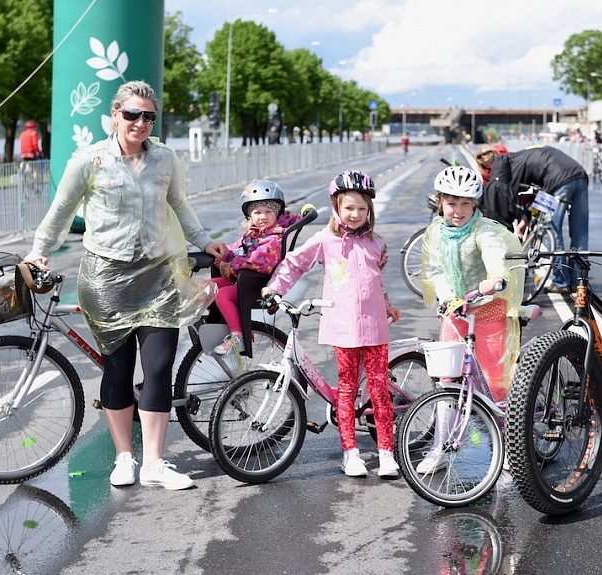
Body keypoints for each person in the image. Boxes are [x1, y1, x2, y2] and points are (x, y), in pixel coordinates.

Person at [25, 81, 228, 490]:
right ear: (115, 114)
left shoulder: (166, 159)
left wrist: (206, 242)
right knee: (117, 370)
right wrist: (39, 251)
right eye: (132, 114)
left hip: (158, 275)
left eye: (148, 116)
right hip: (107, 278)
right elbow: (61, 210)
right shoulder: (90, 160)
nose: (140, 123)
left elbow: (180, 206)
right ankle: (124, 457)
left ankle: (153, 462)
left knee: (157, 368)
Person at [262, 169, 401, 479]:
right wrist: (275, 288)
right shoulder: (325, 240)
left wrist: (388, 304)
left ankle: (386, 452)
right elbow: (295, 263)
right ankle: (350, 452)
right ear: (337, 207)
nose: (355, 214)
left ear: (370, 211)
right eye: (349, 207)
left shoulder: (377, 243)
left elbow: (377, 280)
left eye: (362, 209)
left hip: (376, 326)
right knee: (347, 389)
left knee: (379, 389)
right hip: (344, 326)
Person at [418, 165, 524, 473]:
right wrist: (448, 297)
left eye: (466, 203)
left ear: (475, 203)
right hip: (456, 312)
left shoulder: (485, 231)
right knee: (447, 381)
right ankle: (440, 447)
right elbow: (435, 270)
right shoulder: (435, 232)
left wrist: (496, 280)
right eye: (452, 203)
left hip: (489, 310)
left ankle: (506, 449)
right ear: (440, 202)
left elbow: (495, 256)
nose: (459, 210)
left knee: (495, 384)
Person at [210, 180, 306, 356]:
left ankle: (237, 335)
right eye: (257, 212)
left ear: (277, 213)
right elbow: (236, 249)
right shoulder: (253, 234)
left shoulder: (273, 239)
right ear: (250, 216)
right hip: (243, 279)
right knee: (209, 287)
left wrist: (231, 266)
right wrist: (221, 257)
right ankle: (226, 324)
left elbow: (256, 260)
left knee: (222, 294)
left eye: (269, 211)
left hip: (257, 284)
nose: (263, 216)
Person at [479, 146, 589, 293]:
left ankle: (560, 282)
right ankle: (579, 281)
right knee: (580, 232)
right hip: (579, 174)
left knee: (552, 230)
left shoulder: (508, 167)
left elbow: (518, 198)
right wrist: (527, 219)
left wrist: (523, 220)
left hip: (557, 180)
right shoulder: (520, 157)